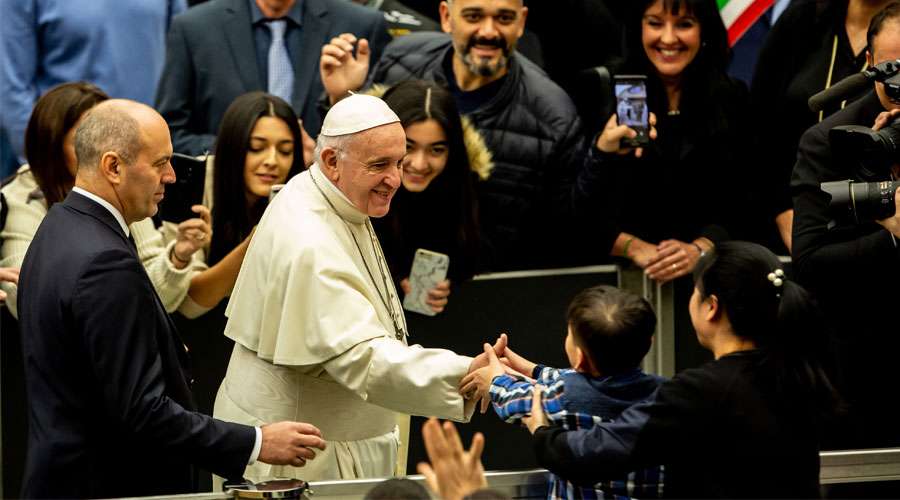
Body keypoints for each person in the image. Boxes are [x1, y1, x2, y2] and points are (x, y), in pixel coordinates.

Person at [15, 99, 327, 499]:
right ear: (113, 167)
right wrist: (256, 442)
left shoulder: (60, 224)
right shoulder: (104, 263)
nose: (172, 175)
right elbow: (142, 413)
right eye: (161, 162)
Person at [213, 93, 503, 482]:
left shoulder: (322, 191)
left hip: (324, 437)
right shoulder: (309, 240)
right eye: (380, 165)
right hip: (303, 455)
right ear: (332, 161)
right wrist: (470, 373)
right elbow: (365, 359)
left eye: (398, 163)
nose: (396, 179)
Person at [319, 0, 617, 271]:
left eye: (504, 18)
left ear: (521, 22)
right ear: (447, 17)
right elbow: (350, 169)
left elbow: (564, 227)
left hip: (492, 293)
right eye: (474, 16)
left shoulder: (552, 114)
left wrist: (603, 155)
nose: (488, 32)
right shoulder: (402, 62)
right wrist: (340, 100)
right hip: (377, 273)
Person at [526, 242, 839, 498]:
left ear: (711, 306)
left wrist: (542, 431)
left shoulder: (702, 391)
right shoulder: (796, 370)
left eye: (695, 291)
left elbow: (599, 451)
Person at [0, 82, 210, 318]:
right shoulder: (22, 196)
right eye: (86, 140)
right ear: (52, 146)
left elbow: (158, 295)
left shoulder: (123, 187)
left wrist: (178, 257)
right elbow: (24, 297)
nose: (101, 151)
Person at [791, 1, 900, 449]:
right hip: (865, 363)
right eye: (893, 66)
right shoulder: (828, 141)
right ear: (870, 64)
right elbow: (811, 260)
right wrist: (893, 233)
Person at [159, 91, 307, 416]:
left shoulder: (302, 197)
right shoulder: (197, 188)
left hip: (268, 361)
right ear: (233, 147)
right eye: (256, 148)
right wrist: (255, 242)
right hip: (197, 358)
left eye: (285, 151)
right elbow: (192, 303)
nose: (272, 160)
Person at [589, 0, 752, 283]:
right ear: (637, 27)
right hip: (613, 285)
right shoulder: (601, 91)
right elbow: (573, 207)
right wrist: (632, 247)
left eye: (684, 25)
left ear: (704, 31)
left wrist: (702, 248)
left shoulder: (731, 97)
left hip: (707, 284)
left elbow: (746, 200)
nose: (668, 38)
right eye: (654, 23)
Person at [460, 287, 664, 500]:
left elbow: (514, 401)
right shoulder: (666, 396)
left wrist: (493, 380)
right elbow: (576, 379)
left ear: (579, 356)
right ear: (649, 342)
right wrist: (532, 370)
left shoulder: (562, 397)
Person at [751, 0, 897, 252]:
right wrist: (782, 208)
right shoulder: (803, 18)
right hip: (803, 211)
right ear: (871, 60)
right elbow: (759, 124)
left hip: (879, 223)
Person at [155, 0, 391, 156]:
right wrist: (240, 150)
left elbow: (385, 139)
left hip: (323, 201)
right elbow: (170, 132)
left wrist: (340, 98)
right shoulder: (195, 27)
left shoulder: (360, 25)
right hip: (224, 209)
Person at [0, 0, 186, 166]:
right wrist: (45, 165)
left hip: (149, 161)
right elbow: (12, 87)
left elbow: (182, 59)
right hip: (66, 168)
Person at [369, 80, 491, 313]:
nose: (419, 163)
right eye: (408, 147)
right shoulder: (352, 198)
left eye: (436, 150)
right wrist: (392, 281)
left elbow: (474, 262)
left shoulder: (468, 194)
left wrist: (452, 285)